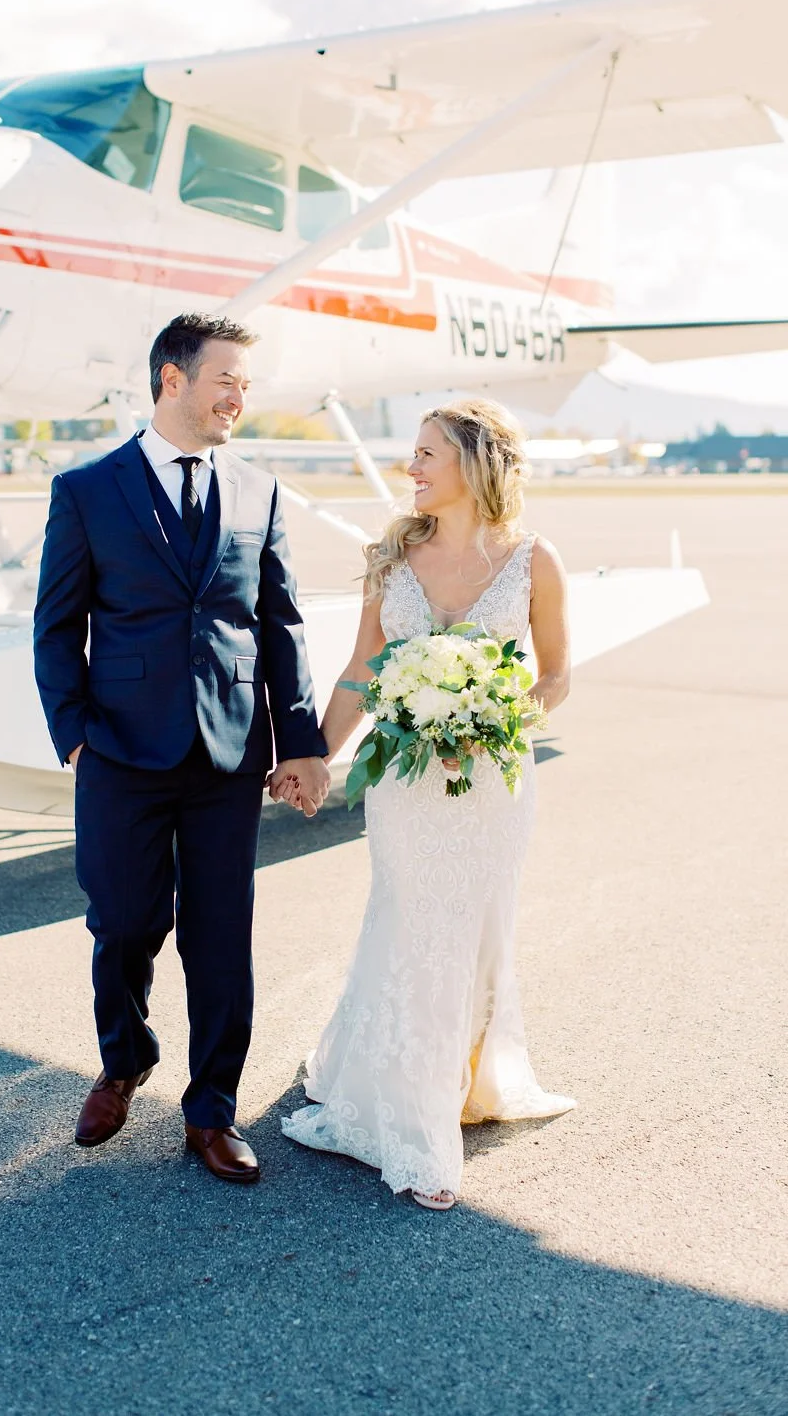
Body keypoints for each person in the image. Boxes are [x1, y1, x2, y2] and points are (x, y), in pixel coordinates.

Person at [34, 311, 330, 1186]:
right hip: (119, 752)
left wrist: (303, 742)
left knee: (221, 940)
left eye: (246, 383)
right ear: (172, 380)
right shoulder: (87, 490)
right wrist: (75, 739)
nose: (240, 396)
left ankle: (211, 1111)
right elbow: (57, 627)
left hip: (230, 755)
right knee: (122, 924)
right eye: (226, 380)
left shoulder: (260, 491)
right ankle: (125, 1059)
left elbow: (279, 625)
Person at [281, 399, 576, 1209]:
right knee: (410, 920)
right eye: (411, 455)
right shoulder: (391, 558)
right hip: (408, 788)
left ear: (475, 465)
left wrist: (496, 717)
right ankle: (412, 1125)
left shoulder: (532, 560)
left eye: (425, 454)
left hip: (491, 785)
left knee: (474, 926)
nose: (410, 468)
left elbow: (554, 674)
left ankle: (463, 1080)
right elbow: (359, 671)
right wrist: (315, 757)